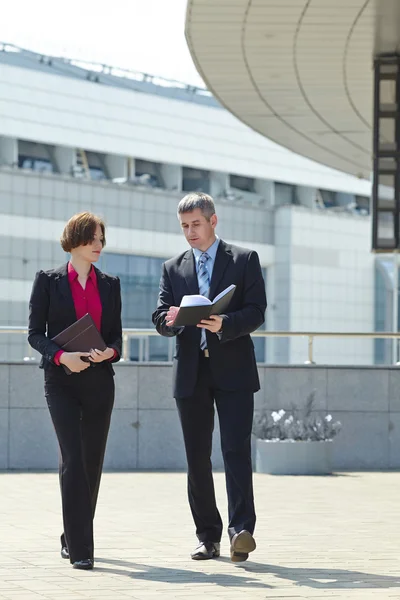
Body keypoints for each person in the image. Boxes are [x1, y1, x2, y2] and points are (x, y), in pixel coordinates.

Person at [152, 192, 267, 562]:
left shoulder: (244, 260)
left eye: (196, 224)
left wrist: (225, 323)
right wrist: (169, 322)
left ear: (213, 221)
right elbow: (159, 316)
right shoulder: (173, 267)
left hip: (233, 370)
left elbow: (257, 311)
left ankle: (241, 531)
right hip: (191, 373)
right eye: (184, 226)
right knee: (197, 457)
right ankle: (208, 536)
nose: (190, 233)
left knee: (235, 451)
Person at [28, 212, 122, 571]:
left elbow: (117, 339)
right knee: (72, 460)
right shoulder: (48, 281)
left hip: (100, 381)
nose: (98, 246)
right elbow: (35, 333)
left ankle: (73, 534)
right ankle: (82, 547)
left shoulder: (110, 284)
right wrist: (63, 356)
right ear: (75, 240)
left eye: (101, 240)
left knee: (91, 463)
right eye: (92, 239)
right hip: (61, 382)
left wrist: (108, 352)